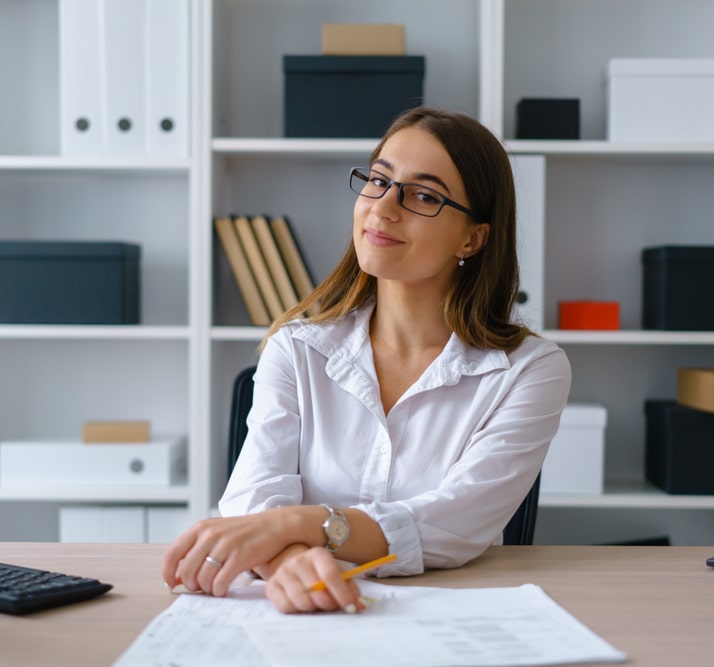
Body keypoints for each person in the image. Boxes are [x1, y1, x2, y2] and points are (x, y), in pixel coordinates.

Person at [162, 106, 571, 614]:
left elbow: (455, 525)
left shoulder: (530, 369)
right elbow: (253, 499)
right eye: (378, 180)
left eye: (423, 195)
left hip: (451, 615)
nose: (383, 207)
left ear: (473, 238)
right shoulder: (296, 348)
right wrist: (288, 562)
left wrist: (298, 526)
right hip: (299, 613)